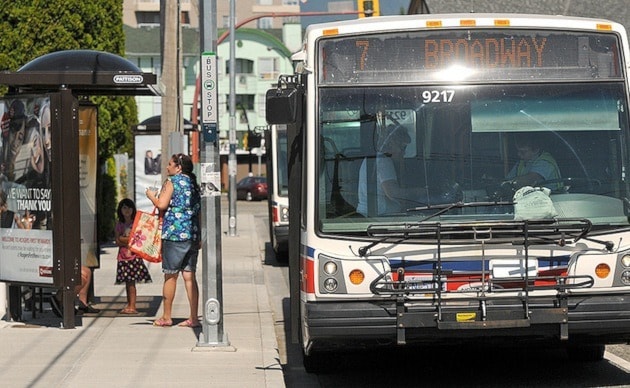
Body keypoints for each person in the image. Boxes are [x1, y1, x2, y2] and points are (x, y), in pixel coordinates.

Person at [146, 153, 201, 328]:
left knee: (170, 275)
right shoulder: (194, 184)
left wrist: (151, 195)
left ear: (178, 167)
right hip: (191, 234)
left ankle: (166, 316)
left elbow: (162, 204)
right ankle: (193, 317)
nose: (167, 167)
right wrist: (199, 235)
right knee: (189, 276)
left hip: (174, 234)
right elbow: (198, 212)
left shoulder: (172, 182)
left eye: (170, 164)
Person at [356, 124, 423, 216]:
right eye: (402, 148)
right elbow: (393, 193)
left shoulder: (376, 158)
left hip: (372, 213)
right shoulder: (383, 161)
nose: (404, 152)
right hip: (380, 216)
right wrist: (419, 192)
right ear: (391, 143)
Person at [114, 198, 152, 314]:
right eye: (124, 207)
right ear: (120, 210)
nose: (127, 210)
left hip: (134, 257)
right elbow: (118, 241)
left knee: (131, 283)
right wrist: (128, 239)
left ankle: (132, 306)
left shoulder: (136, 223)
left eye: (129, 207)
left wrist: (124, 239)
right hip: (123, 257)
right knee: (127, 283)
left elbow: (139, 239)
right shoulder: (119, 224)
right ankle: (129, 305)